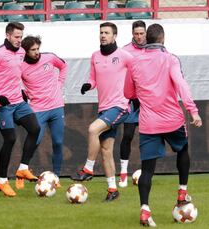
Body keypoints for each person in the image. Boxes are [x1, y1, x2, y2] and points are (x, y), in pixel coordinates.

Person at [124, 23, 202, 227]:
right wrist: (193, 110)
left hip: (149, 122)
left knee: (147, 169)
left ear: (146, 39)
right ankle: (182, 192)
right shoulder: (170, 59)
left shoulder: (133, 62)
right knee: (183, 149)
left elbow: (128, 93)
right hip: (172, 120)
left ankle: (144, 211)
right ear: (163, 39)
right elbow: (181, 85)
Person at [71, 22, 133, 201]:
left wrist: (135, 94)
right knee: (106, 150)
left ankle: (88, 168)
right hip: (104, 107)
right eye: (101, 32)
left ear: (115, 36)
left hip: (120, 106)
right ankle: (113, 190)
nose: (103, 35)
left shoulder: (125, 56)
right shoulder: (95, 56)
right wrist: (88, 85)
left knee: (92, 129)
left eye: (106, 33)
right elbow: (93, 79)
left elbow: (138, 73)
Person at [0, 22, 41, 197]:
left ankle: (22, 168)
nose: (19, 40)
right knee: (10, 139)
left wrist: (22, 90)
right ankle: (2, 181)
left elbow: (15, 74)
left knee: (35, 128)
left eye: (21, 37)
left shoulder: (21, 52)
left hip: (19, 102)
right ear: (7, 35)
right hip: (1, 105)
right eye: (16, 37)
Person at [21, 36, 67, 187]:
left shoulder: (49, 58)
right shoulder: (20, 66)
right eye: (33, 50)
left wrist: (60, 84)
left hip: (56, 106)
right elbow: (14, 81)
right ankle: (22, 171)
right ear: (26, 52)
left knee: (58, 142)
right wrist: (23, 92)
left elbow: (64, 66)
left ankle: (56, 177)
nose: (36, 52)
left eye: (37, 48)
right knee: (35, 141)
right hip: (38, 109)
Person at [118, 20, 147, 188]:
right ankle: (123, 173)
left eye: (142, 33)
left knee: (147, 137)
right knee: (127, 135)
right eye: (136, 33)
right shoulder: (125, 51)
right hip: (130, 101)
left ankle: (146, 172)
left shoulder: (152, 49)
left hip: (147, 101)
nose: (139, 36)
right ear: (132, 34)